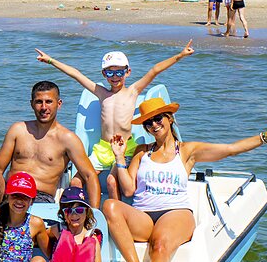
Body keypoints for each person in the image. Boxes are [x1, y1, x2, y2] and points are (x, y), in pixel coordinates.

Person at [103, 98, 267, 262]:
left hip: (175, 212)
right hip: (143, 215)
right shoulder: (142, 151)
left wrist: (265, 136)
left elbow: (230, 149)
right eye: (148, 123)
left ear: (170, 119)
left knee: (159, 245)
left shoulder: (186, 150)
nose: (153, 125)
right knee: (110, 206)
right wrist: (119, 157)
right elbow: (128, 190)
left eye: (158, 118)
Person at [34, 41, 194, 202]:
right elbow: (76, 75)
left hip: (125, 148)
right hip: (102, 149)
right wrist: (50, 60)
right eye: (110, 73)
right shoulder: (101, 93)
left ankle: (115, 214)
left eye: (119, 72)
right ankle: (83, 215)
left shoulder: (133, 91)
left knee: (111, 181)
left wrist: (180, 55)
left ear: (128, 72)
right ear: (104, 74)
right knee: (76, 181)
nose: (115, 77)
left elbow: (155, 70)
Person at [0, 80, 100, 243]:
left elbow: (90, 176)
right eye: (38, 102)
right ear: (32, 104)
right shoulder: (18, 130)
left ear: (59, 104)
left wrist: (94, 215)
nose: (44, 107)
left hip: (39, 198)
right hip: (9, 193)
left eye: (49, 101)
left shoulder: (67, 139)